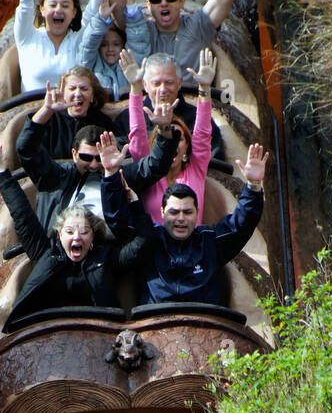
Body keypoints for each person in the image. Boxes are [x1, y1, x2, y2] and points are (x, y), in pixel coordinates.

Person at [0, 134, 149, 330]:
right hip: (48, 337)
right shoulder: (45, 253)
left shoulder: (105, 258)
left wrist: (135, 204)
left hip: (96, 336)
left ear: (93, 236)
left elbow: (142, 244)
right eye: (70, 231)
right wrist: (0, 171)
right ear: (60, 234)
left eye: (84, 231)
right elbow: (22, 214)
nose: (77, 237)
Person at [99, 131, 268, 306]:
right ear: (163, 212)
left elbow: (241, 224)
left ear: (196, 212)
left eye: (187, 212)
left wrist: (253, 186)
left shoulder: (210, 241)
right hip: (156, 321)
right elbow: (118, 221)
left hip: (203, 321)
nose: (180, 218)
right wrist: (111, 175)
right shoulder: (150, 239)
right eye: (174, 212)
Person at [16, 100, 177, 233]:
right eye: (86, 157)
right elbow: (26, 149)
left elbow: (156, 165)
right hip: (66, 254)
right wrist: (46, 110)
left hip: (111, 254)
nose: (93, 165)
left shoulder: (121, 174)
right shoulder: (60, 175)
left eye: (99, 158)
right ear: (74, 154)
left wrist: (164, 130)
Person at [126, 47, 215, 220]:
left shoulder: (196, 169)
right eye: (157, 83)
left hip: (191, 245)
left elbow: (203, 134)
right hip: (156, 246)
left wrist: (204, 88)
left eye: (179, 138)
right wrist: (135, 88)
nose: (173, 143)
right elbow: (137, 134)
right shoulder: (148, 175)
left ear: (188, 145)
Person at [114, 50, 225, 163]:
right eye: (156, 83)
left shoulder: (195, 118)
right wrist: (134, 85)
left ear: (179, 83)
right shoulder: (126, 118)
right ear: (145, 85)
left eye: (169, 82)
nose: (162, 89)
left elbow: (209, 159)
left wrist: (205, 87)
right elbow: (128, 155)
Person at [16, 69, 117, 167]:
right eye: (72, 88)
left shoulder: (103, 122)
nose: (77, 94)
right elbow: (26, 149)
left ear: (92, 95)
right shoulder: (50, 120)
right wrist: (47, 109)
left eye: (84, 89)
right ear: (63, 93)